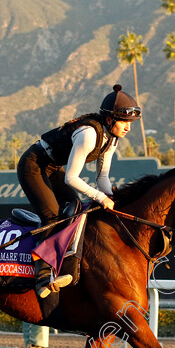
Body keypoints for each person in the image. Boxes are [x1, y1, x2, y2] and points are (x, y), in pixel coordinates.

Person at [15, 84, 141, 298]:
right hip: (33, 164)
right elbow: (71, 178)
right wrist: (101, 197)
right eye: (124, 121)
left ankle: (65, 264)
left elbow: (102, 177)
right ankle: (43, 276)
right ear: (110, 119)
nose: (128, 127)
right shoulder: (89, 135)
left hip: (52, 167)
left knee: (74, 209)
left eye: (130, 122)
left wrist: (113, 200)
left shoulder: (112, 140)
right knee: (53, 215)